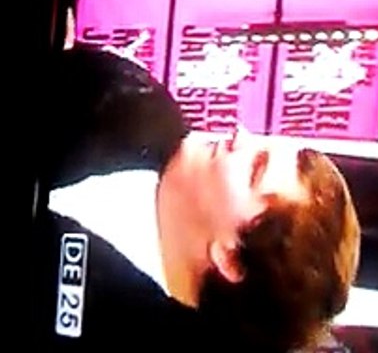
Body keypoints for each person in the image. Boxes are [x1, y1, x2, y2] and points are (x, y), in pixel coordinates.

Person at [33, 45, 360, 352]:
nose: (240, 133)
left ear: (231, 257)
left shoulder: (131, 336)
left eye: (255, 168)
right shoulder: (139, 102)